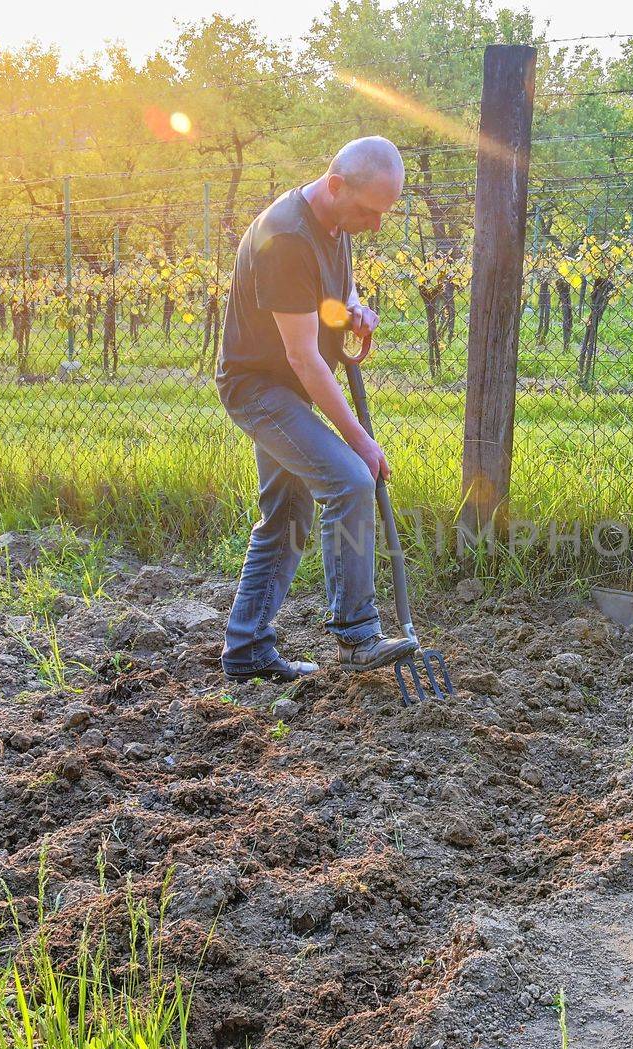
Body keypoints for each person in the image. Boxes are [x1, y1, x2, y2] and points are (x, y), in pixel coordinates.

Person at [215, 136, 418, 682]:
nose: (376, 226)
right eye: (370, 212)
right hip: (259, 389)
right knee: (351, 481)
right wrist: (361, 440)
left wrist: (354, 310)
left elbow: (335, 293)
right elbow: (304, 359)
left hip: (288, 388)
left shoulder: (333, 224)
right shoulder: (284, 238)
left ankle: (248, 651)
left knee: (287, 515)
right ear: (335, 186)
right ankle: (356, 635)